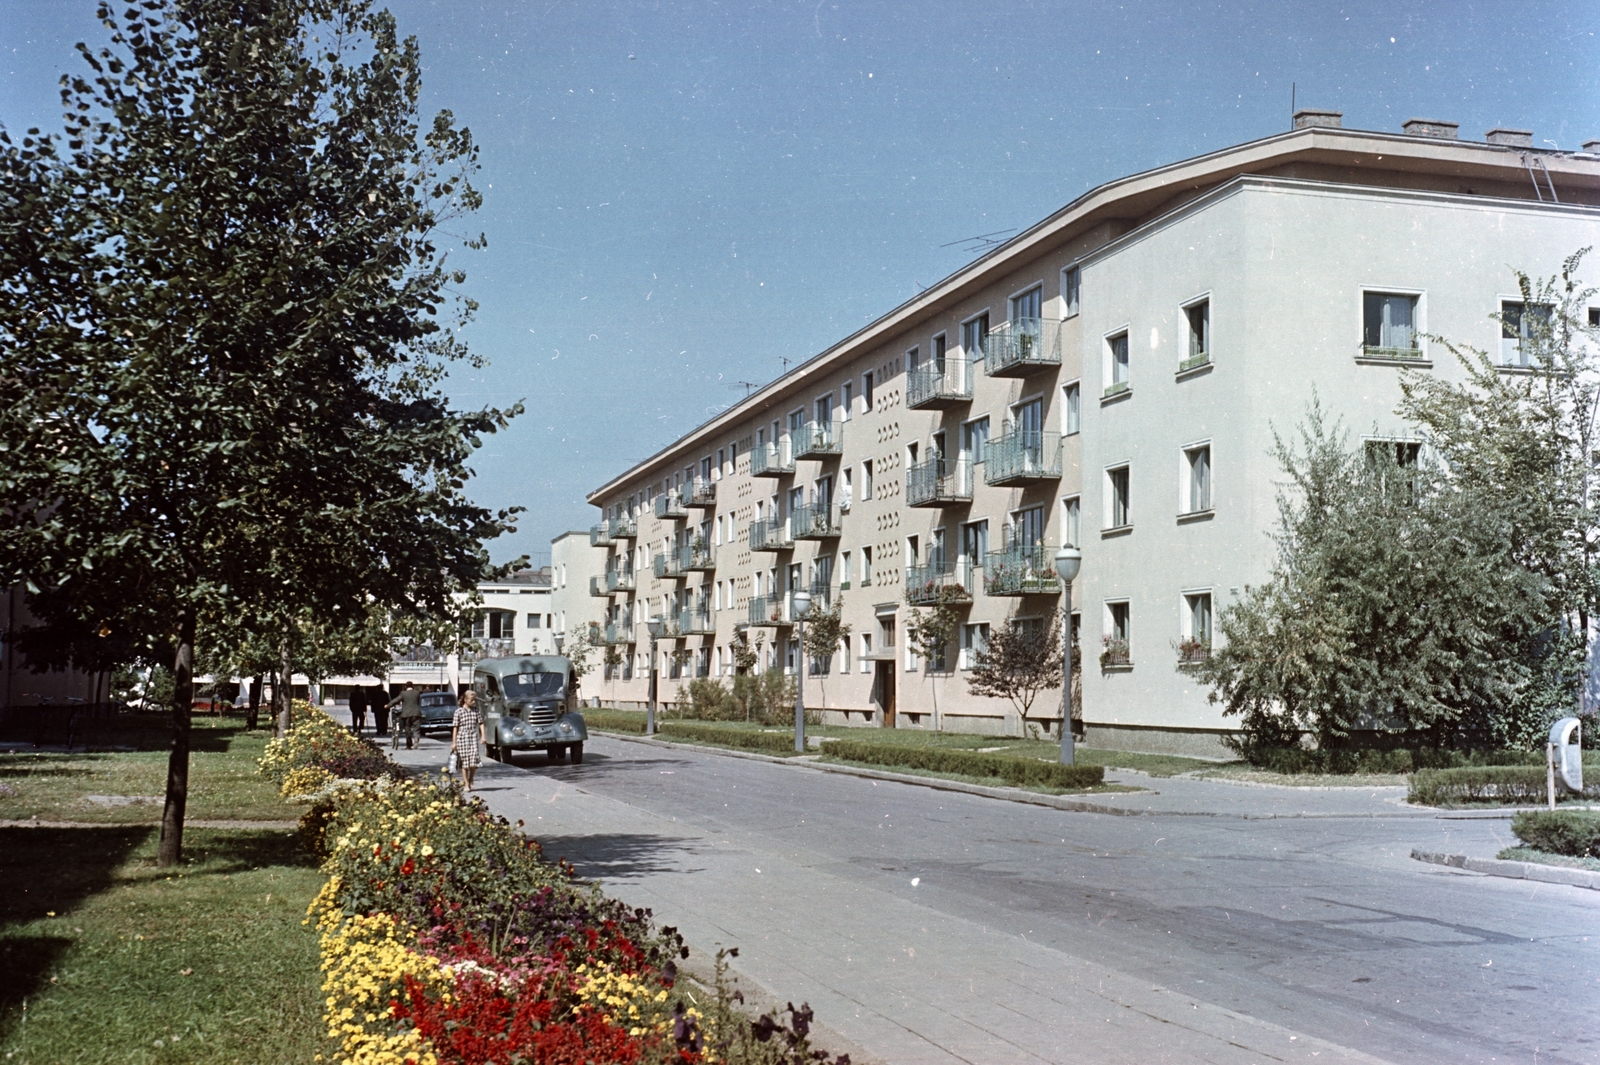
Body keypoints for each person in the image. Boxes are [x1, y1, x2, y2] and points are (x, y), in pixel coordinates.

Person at [451, 690, 486, 792]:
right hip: (462, 738)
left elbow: (481, 723)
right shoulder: (459, 711)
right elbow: (455, 727)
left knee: (473, 760)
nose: (474, 702)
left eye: (474, 700)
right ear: (465, 700)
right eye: (472, 700)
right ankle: (466, 783)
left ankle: (471, 779)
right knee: (465, 762)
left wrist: (483, 736)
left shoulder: (476, 710)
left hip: (473, 737)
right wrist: (454, 742)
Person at [388, 682, 422, 750]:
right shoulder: (417, 693)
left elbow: (396, 700)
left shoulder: (403, 693)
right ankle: (416, 738)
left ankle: (408, 745)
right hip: (416, 713)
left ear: (405, 686)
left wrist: (388, 705)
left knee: (407, 728)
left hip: (406, 714)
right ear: (413, 686)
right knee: (416, 728)